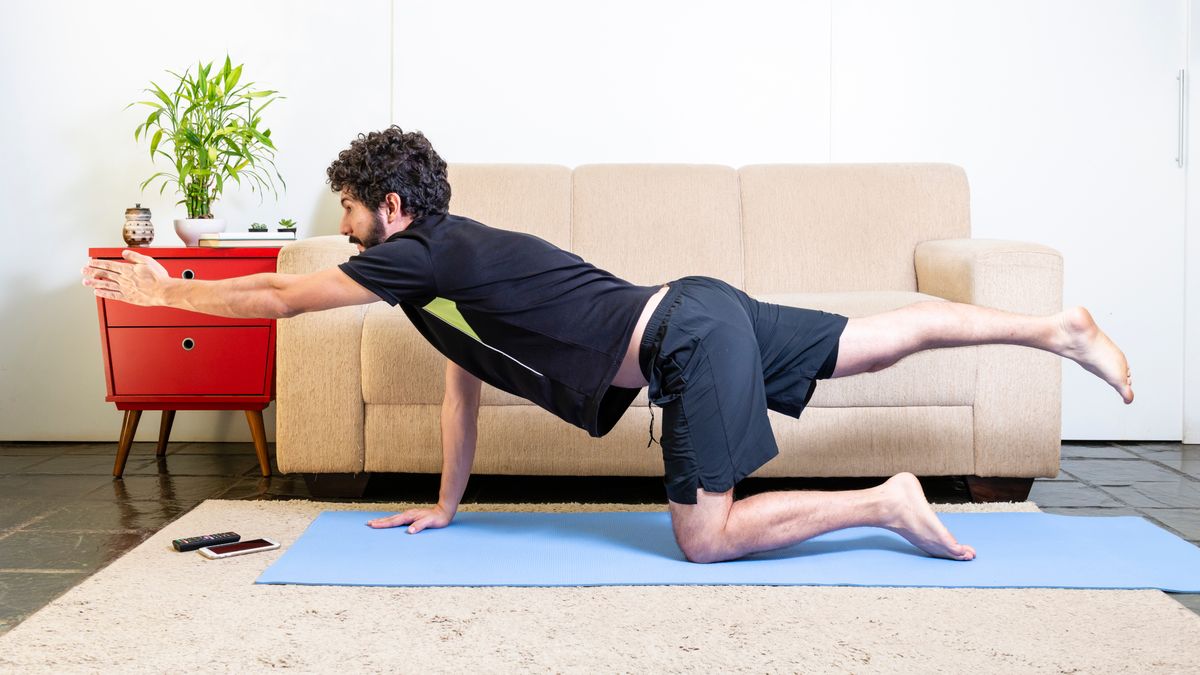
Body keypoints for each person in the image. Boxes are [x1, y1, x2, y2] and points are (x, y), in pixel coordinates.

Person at [83, 126, 1134, 564]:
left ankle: (884, 504)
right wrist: (447, 504)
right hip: (697, 308)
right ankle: (1055, 328)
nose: (345, 226)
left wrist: (164, 287)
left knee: (705, 540)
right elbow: (464, 388)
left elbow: (275, 296)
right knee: (878, 339)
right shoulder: (444, 268)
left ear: (390, 209)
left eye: (350, 210)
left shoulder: (417, 256)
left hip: (684, 338)